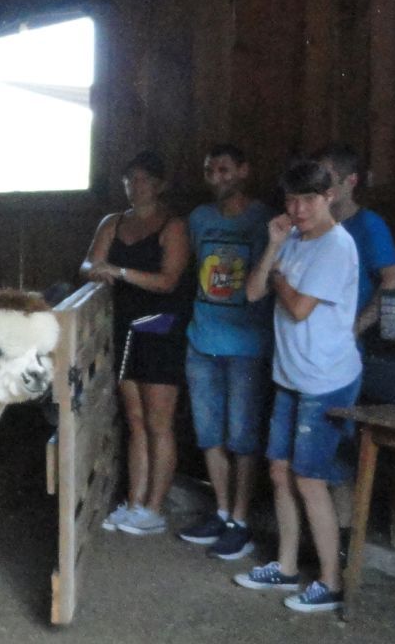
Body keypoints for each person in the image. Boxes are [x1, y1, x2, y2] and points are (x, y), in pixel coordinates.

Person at [235, 158, 360, 614]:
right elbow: (251, 292)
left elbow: (300, 309)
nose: (299, 208)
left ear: (328, 197)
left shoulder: (335, 246)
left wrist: (279, 275)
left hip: (325, 379)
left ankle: (331, 582)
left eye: (308, 198)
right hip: (290, 375)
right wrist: (272, 248)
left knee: (309, 479)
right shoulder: (291, 239)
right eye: (291, 199)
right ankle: (285, 566)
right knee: (279, 472)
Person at [83, 150, 190, 537]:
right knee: (136, 420)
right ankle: (134, 502)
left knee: (159, 423)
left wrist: (120, 272)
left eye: (143, 180)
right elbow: (88, 264)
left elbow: (168, 281)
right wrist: (98, 271)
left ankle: (154, 507)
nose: (135, 187)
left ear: (159, 184)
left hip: (161, 328)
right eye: (129, 180)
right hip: (125, 328)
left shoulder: (172, 226)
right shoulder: (113, 223)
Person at [176, 144, 271, 561]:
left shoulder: (264, 219)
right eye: (210, 170)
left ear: (244, 171)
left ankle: (241, 520)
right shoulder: (199, 219)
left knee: (243, 438)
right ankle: (220, 511)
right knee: (209, 435)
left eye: (225, 169)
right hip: (203, 340)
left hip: (247, 344)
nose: (217, 177)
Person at [318, 145, 395, 340]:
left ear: (351, 180)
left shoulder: (368, 224)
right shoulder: (311, 224)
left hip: (344, 342)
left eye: (328, 179)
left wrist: (356, 327)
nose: (320, 185)